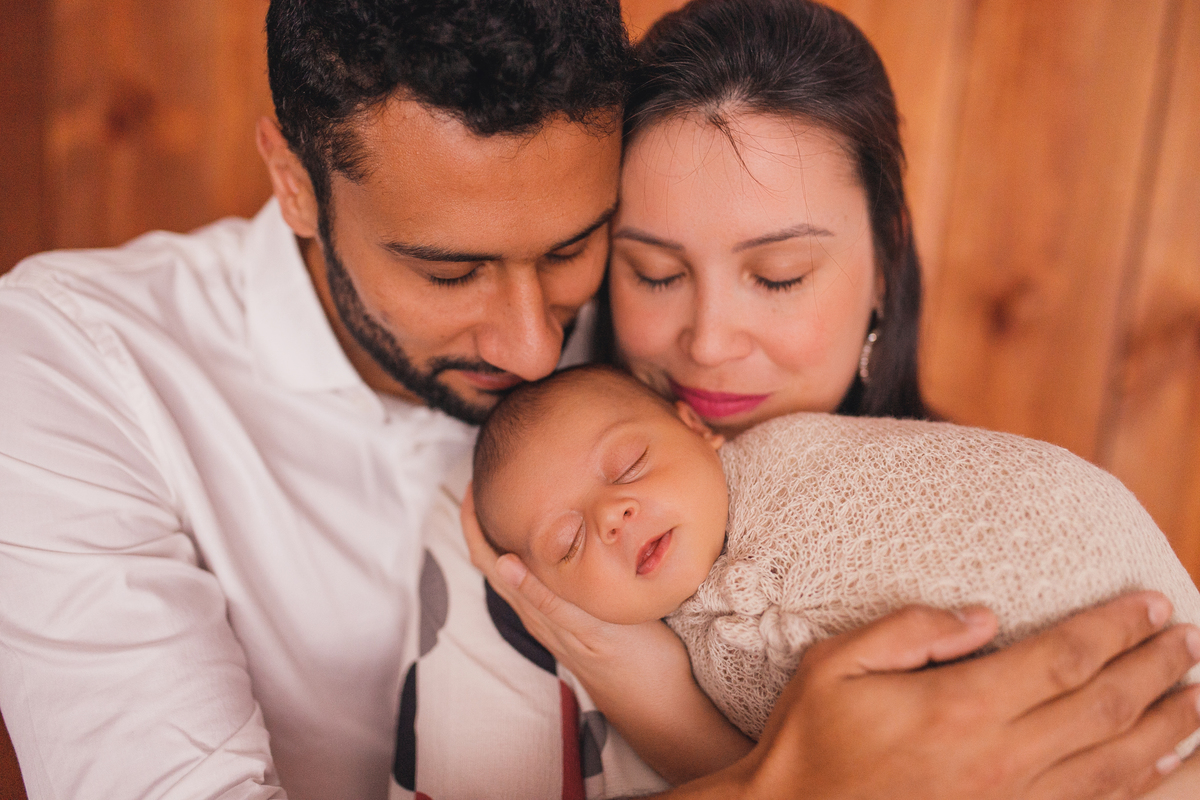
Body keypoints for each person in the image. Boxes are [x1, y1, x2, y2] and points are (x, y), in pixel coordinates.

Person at [0, 1, 1192, 799]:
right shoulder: (72, 363)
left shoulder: (783, 449)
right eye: (448, 270)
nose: (535, 346)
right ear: (293, 180)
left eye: (579, 250)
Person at [456, 0, 1200, 796]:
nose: (709, 343)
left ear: (883, 264)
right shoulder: (530, 528)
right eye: (656, 274)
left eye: (779, 276)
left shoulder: (991, 533)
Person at [470, 362, 1200, 747]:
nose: (612, 517)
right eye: (568, 543)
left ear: (696, 429)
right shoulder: (684, 665)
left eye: (629, 464)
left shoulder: (797, 458)